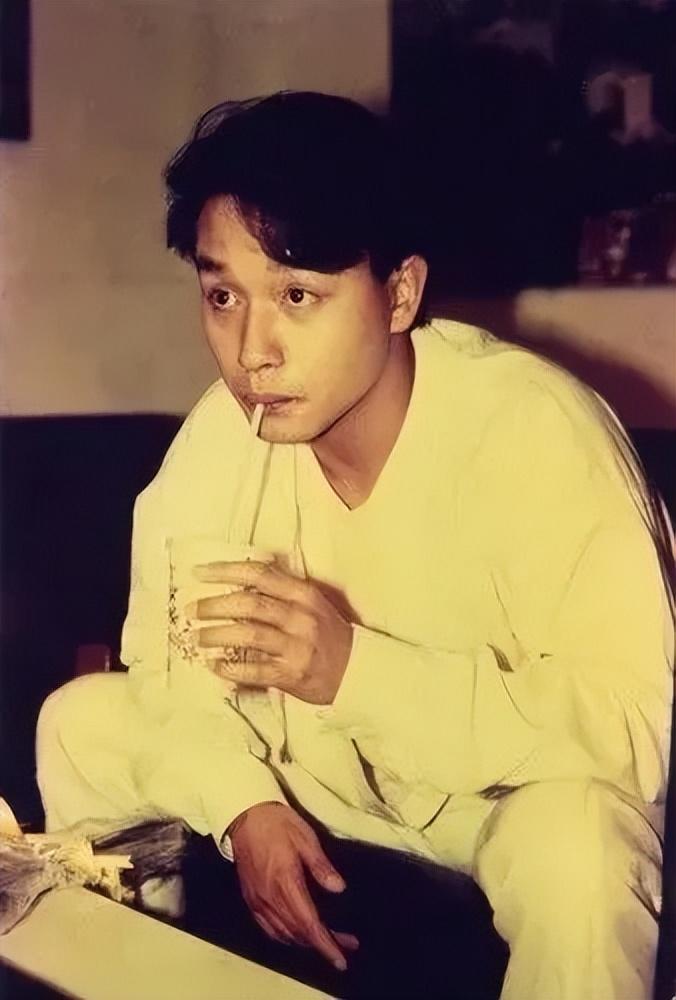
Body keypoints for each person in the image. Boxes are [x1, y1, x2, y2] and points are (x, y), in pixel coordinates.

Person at [36, 91, 674, 1000]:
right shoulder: (224, 436)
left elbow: (630, 734)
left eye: (298, 296)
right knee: (83, 725)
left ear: (399, 293)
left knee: (581, 850)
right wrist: (242, 805)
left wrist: (351, 670)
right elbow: (170, 679)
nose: (252, 351)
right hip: (328, 782)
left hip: (498, 802)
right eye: (223, 296)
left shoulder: (538, 432)